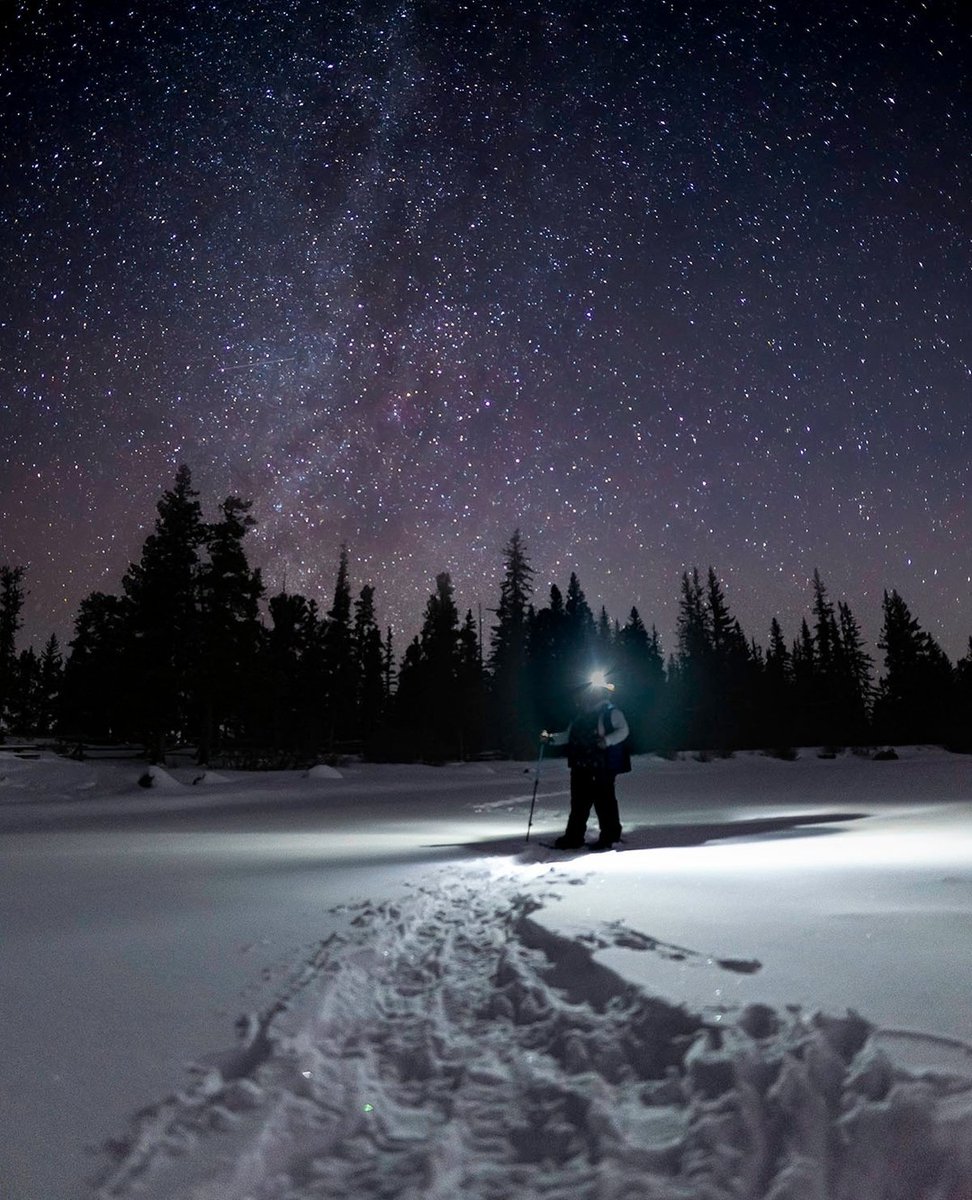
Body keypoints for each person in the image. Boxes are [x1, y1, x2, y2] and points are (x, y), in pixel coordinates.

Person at [543, 678, 630, 851]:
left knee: (604, 802)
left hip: (602, 767)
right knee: (579, 804)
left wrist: (607, 741)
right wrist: (550, 739)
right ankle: (574, 837)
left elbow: (624, 730)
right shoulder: (581, 715)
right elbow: (568, 736)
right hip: (580, 766)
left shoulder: (611, 713)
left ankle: (610, 837)